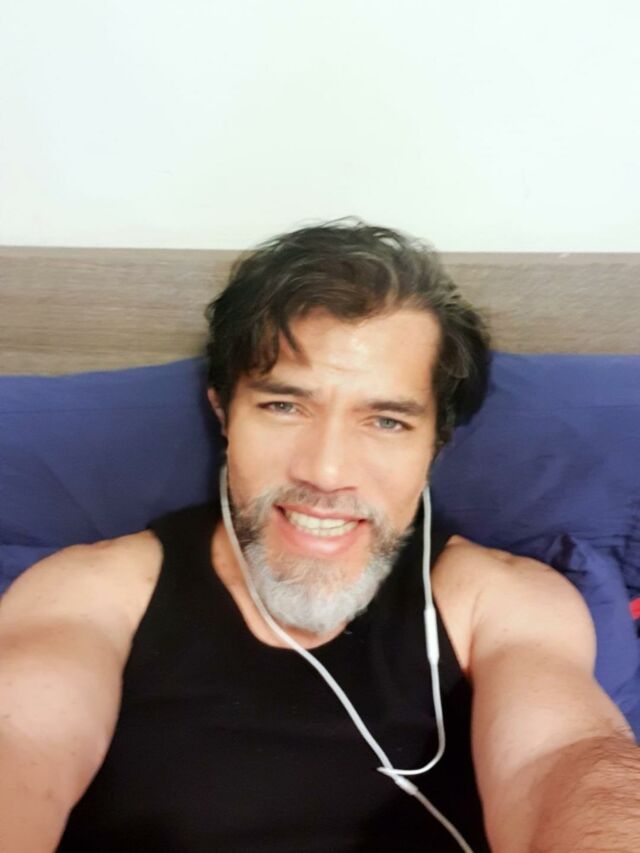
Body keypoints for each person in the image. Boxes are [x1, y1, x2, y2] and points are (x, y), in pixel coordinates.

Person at [0, 221, 638, 853]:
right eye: (283, 407)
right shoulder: (91, 592)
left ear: (435, 442)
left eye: (386, 421)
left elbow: (561, 758)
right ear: (224, 412)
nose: (326, 472)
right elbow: (20, 740)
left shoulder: (502, 601)